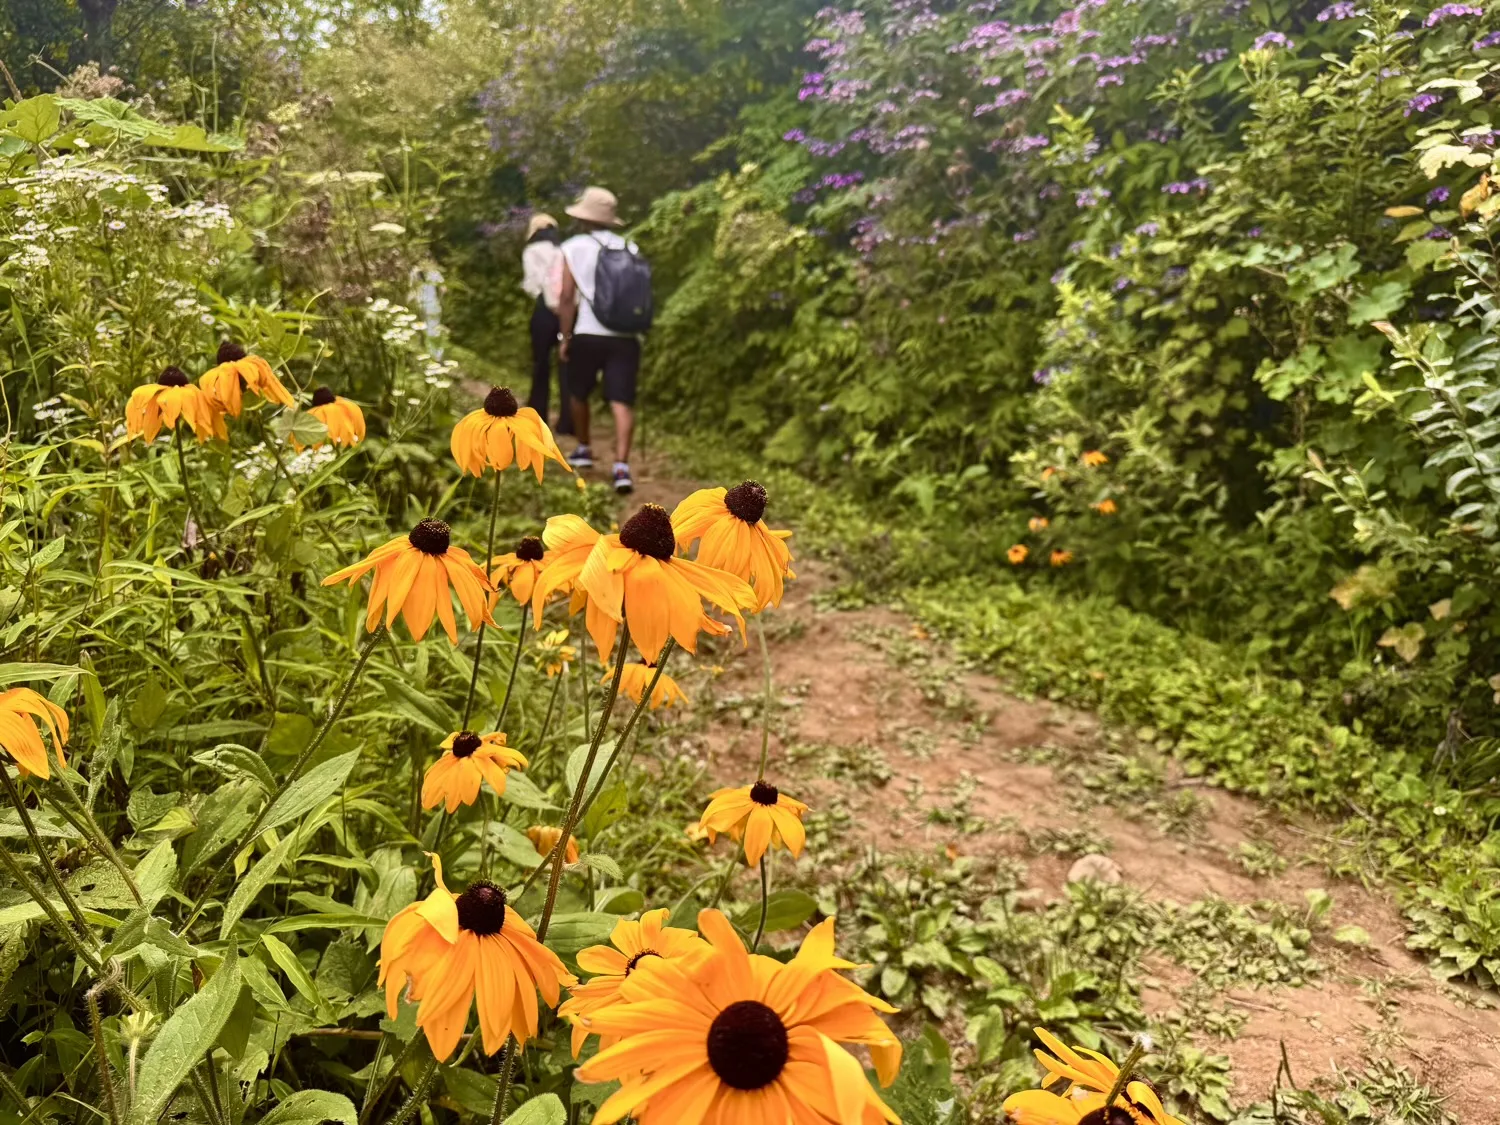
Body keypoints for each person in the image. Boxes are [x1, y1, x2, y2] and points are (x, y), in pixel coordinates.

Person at [557, 186, 640, 494]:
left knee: (579, 392)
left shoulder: (574, 246)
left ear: (583, 218)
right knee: (622, 400)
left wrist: (565, 336)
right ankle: (621, 466)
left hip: (588, 332)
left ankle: (583, 448)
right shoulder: (629, 246)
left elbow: (566, 296)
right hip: (625, 335)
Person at [520, 213, 571, 434]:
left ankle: (538, 413)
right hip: (567, 313)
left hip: (544, 313)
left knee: (541, 364)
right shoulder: (564, 250)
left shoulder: (531, 251)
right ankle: (568, 420)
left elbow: (533, 284)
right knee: (566, 364)